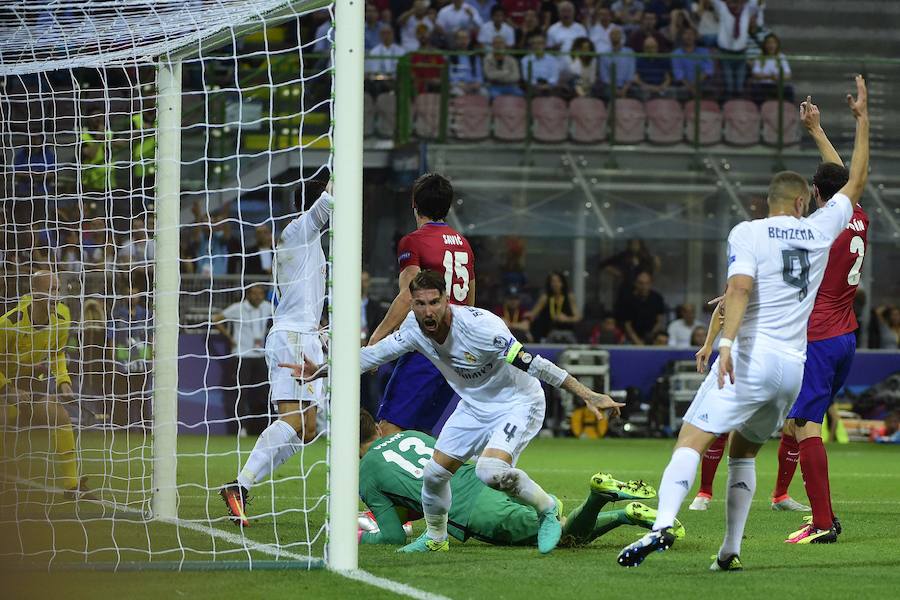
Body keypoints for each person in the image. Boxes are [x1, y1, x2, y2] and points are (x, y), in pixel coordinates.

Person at [617, 75, 869, 570]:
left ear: (768, 202)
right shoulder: (825, 227)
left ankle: (664, 524)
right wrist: (861, 121)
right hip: (797, 364)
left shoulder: (748, 231)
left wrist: (723, 341)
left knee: (691, 437)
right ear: (803, 202)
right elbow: (852, 179)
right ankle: (730, 550)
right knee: (746, 452)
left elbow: (739, 289)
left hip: (753, 356)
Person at [286, 269, 625, 555]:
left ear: (447, 299)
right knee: (433, 476)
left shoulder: (481, 328)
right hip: (474, 407)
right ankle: (435, 539)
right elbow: (373, 356)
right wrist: (323, 369)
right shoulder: (415, 329)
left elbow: (537, 365)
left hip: (518, 402)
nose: (428, 311)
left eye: (434, 302)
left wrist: (589, 395)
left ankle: (547, 509)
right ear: (414, 305)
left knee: (489, 471)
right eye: (420, 304)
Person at [689, 94, 873, 531]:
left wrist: (739, 290)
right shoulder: (858, 216)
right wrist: (820, 132)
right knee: (796, 423)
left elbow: (783, 264)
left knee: (804, 424)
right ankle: (783, 495)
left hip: (816, 338)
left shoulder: (816, 229)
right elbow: (849, 180)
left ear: (813, 195)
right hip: (847, 335)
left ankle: (823, 521)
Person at [354, 409, 682, 547]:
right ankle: (617, 508)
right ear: (379, 429)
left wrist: (360, 538)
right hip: (487, 481)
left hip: (476, 512)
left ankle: (606, 501)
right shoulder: (412, 435)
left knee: (565, 538)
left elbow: (393, 537)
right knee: (555, 519)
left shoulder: (366, 475)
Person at [220, 179, 333, 527]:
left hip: (306, 336)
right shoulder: (299, 229)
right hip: (292, 338)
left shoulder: (308, 241)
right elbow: (330, 202)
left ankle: (240, 483)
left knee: (310, 428)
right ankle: (240, 484)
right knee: (293, 420)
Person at [368, 173, 475, 437]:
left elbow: (408, 295)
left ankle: (390, 479)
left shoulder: (413, 241)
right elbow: (470, 300)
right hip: (456, 352)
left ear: (414, 203)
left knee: (390, 427)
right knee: (421, 432)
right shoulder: (463, 244)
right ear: (447, 206)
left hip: (426, 347)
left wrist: (376, 341)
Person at [0, 270, 93, 499]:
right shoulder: (8, 323)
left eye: (58, 289)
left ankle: (72, 486)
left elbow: (57, 353)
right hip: (3, 384)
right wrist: (7, 390)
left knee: (60, 417)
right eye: (51, 290)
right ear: (35, 293)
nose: (57, 295)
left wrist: (63, 382)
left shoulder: (62, 319)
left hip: (29, 385)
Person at [213, 284, 273, 436]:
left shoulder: (267, 307)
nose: (258, 296)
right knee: (242, 393)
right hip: (242, 355)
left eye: (261, 293)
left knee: (264, 392)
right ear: (248, 294)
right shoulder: (237, 308)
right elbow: (216, 319)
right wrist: (230, 338)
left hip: (260, 355)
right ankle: (242, 428)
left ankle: (263, 427)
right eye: (254, 293)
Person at [712, 0, 759, 98]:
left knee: (739, 85)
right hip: (725, 52)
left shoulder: (746, 9)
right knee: (728, 84)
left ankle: (737, 107)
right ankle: (728, 105)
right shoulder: (723, 7)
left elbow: (755, 2)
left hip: (741, 53)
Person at [527, 271, 581, 343]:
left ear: (563, 283)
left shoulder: (569, 297)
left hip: (567, 332)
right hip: (550, 332)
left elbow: (578, 317)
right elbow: (533, 314)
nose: (556, 284)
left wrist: (567, 319)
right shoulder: (545, 298)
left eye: (558, 281)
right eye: (553, 281)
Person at [616, 271, 665, 346]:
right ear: (635, 283)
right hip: (631, 338)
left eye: (647, 283)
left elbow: (660, 320)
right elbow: (627, 325)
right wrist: (638, 342)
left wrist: (651, 336)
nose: (644, 286)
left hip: (652, 338)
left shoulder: (657, 298)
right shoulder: (627, 299)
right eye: (641, 283)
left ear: (651, 284)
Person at [749, 33, 793, 104]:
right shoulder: (760, 57)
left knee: (789, 90)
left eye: (773, 43)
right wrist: (769, 76)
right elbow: (755, 74)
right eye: (769, 43)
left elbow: (788, 74)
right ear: (765, 45)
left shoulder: (781, 57)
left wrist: (778, 77)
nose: (771, 45)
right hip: (763, 85)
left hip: (776, 85)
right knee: (756, 90)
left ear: (777, 45)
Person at [671, 27, 714, 97]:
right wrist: (691, 88)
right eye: (686, 34)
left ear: (695, 37)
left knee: (709, 90)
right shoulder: (676, 53)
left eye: (691, 34)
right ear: (682, 36)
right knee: (681, 91)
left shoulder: (704, 52)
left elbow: (709, 70)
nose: (689, 36)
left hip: (702, 84)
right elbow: (678, 74)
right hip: (684, 85)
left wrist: (695, 84)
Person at [598, 28, 636, 98]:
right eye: (613, 34)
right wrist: (615, 90)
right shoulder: (604, 55)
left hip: (627, 86)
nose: (615, 36)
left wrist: (624, 89)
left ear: (621, 36)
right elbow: (604, 76)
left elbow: (631, 73)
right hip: (609, 86)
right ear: (609, 37)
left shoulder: (630, 52)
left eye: (617, 33)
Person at [448, 30, 486, 96]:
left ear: (469, 40)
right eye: (460, 38)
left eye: (465, 38)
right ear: (456, 41)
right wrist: (460, 85)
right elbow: (450, 76)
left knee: (484, 93)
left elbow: (479, 76)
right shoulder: (451, 56)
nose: (463, 41)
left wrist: (477, 84)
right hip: (458, 85)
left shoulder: (474, 56)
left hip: (473, 84)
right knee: (458, 93)